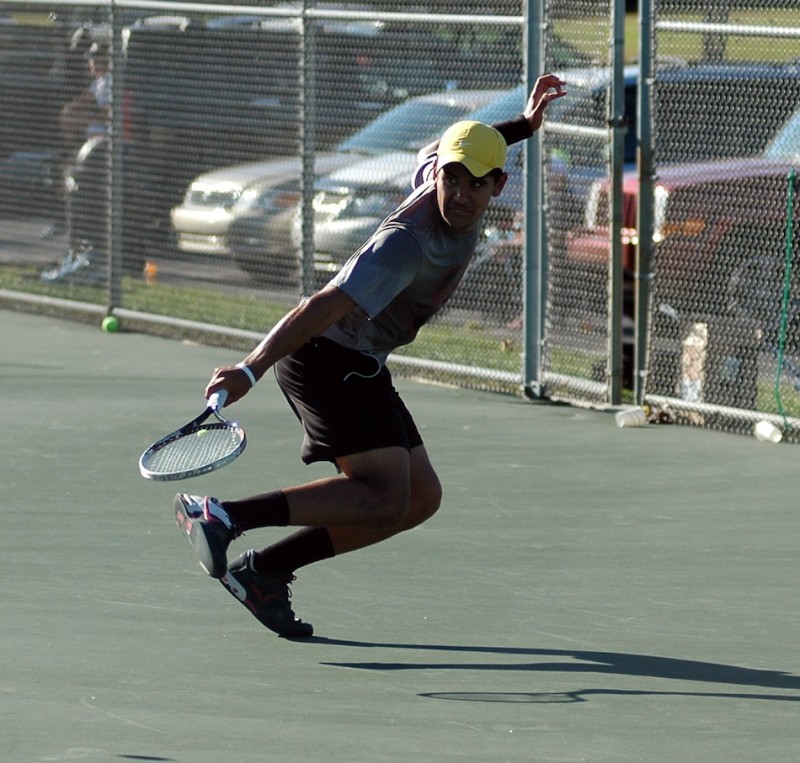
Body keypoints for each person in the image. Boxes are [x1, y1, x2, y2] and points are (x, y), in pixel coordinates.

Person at [174, 73, 567, 638]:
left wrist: (524, 126)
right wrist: (249, 368)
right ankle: (223, 516)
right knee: (386, 497)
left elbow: (438, 149)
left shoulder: (437, 170)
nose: (457, 193)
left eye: (473, 183)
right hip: (326, 357)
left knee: (420, 499)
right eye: (452, 180)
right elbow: (324, 303)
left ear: (498, 186)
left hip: (361, 360)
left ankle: (264, 573)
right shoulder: (406, 243)